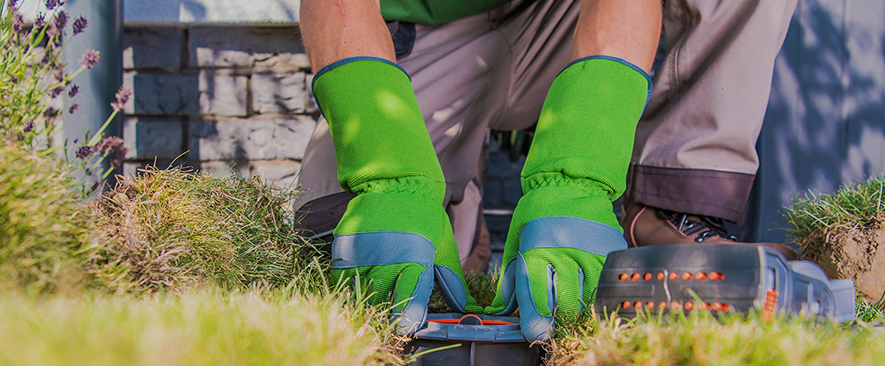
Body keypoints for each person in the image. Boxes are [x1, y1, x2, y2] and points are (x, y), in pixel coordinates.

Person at [294, 0, 799, 341]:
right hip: (425, 28)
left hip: (564, 18)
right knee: (335, 233)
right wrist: (389, 176)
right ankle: (456, 219)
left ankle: (666, 207)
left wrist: (577, 177)